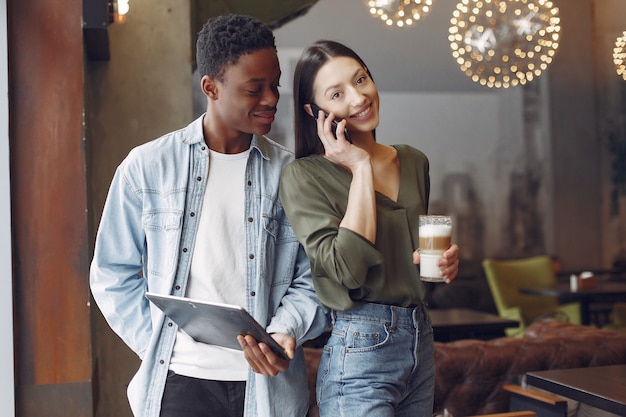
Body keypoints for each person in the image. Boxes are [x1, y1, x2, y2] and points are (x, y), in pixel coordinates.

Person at [90, 15, 329, 417]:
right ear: (210, 88)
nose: (271, 99)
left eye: (275, 85)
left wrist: (285, 331)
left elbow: (314, 278)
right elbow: (111, 273)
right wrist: (160, 341)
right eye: (255, 89)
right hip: (179, 387)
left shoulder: (293, 175)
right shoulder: (146, 168)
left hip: (268, 389)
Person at [279, 40, 461, 417]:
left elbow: (415, 264)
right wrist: (360, 167)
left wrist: (443, 262)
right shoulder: (304, 176)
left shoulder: (413, 161)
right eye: (337, 93)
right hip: (360, 345)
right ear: (316, 112)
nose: (359, 96)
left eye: (361, 79)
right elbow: (346, 270)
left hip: (421, 339)